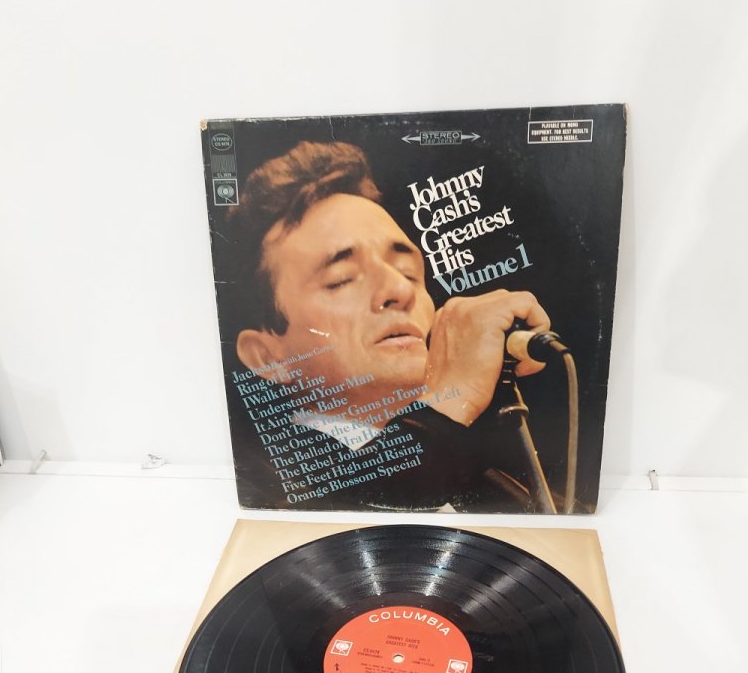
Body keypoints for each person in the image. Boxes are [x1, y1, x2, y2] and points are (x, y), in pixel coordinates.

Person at [223, 140, 552, 511]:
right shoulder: (268, 490)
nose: (400, 290)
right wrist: (448, 402)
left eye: (409, 272)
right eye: (342, 279)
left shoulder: (511, 493)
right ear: (267, 357)